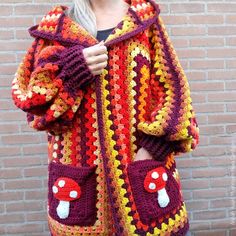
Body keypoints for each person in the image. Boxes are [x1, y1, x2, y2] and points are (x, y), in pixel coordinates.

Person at [11, 0, 199, 235]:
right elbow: (32, 102)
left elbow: (174, 90)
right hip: (76, 180)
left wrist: (151, 149)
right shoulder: (57, 28)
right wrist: (72, 71)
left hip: (144, 174)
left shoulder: (143, 21)